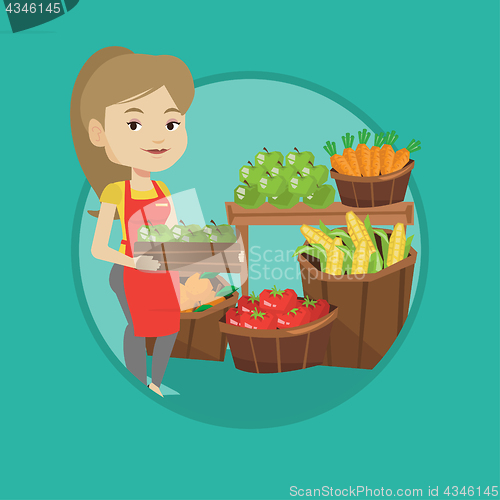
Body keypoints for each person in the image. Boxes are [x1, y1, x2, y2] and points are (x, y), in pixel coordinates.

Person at [71, 47, 195, 397]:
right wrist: (135, 261)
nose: (158, 138)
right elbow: (98, 248)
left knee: (170, 328)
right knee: (139, 328)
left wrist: (191, 257)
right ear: (100, 134)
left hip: (162, 269)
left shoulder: (162, 186)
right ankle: (137, 383)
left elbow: (169, 234)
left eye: (171, 124)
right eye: (134, 124)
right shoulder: (115, 191)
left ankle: (156, 381)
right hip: (129, 270)